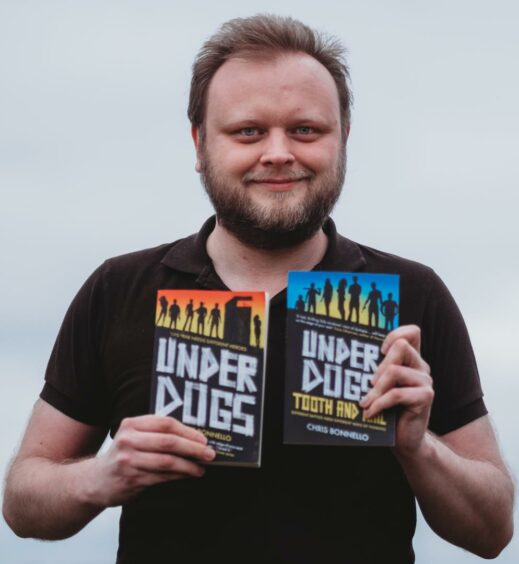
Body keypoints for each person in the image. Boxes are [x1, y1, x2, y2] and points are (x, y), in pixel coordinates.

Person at [2, 14, 514, 564]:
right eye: (248, 131)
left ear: (342, 139)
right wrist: (99, 477)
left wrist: (419, 447)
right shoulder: (119, 290)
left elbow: (492, 531)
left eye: (305, 130)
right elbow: (22, 500)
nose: (278, 152)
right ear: (200, 144)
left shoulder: (414, 294)